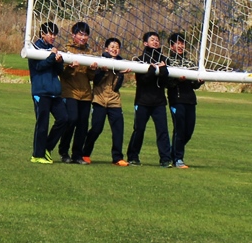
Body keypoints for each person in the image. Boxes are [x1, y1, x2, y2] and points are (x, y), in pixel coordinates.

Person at [126, 31, 173, 167]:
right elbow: (142, 81)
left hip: (159, 102)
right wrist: (153, 71)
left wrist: (163, 72)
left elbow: (166, 83)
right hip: (142, 101)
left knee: (162, 130)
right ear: (145, 43)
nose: (155, 42)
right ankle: (133, 156)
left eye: (157, 40)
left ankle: (165, 159)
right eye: (152, 40)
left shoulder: (165, 60)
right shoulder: (139, 60)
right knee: (139, 129)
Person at [58, 21, 98, 164]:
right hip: (70, 92)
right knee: (72, 119)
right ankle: (64, 151)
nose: (83, 37)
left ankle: (77, 154)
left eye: (86, 35)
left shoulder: (90, 53)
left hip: (86, 94)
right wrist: (71, 68)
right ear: (73, 34)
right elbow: (63, 74)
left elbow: (91, 78)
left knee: (82, 124)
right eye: (80, 34)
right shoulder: (66, 50)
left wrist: (93, 70)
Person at [83, 37, 127, 165]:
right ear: (106, 48)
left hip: (114, 101)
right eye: (112, 47)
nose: (115, 49)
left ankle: (117, 158)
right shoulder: (100, 61)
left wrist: (120, 74)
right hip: (99, 100)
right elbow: (96, 81)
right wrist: (104, 71)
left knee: (118, 130)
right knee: (96, 128)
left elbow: (116, 87)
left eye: (117, 47)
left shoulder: (121, 63)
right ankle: (85, 153)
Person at [27, 21, 67, 164]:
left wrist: (59, 61)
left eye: (55, 34)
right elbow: (39, 66)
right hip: (41, 92)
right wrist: (51, 57)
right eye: (50, 33)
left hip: (54, 92)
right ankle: (37, 155)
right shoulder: (34, 48)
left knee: (64, 119)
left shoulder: (53, 49)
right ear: (43, 33)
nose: (53, 36)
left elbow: (58, 71)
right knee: (42, 124)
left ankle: (47, 148)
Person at [166, 33, 203, 169]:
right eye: (177, 43)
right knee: (179, 129)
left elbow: (194, 85)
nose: (180, 46)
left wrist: (199, 82)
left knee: (189, 131)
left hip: (190, 100)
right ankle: (178, 159)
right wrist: (177, 80)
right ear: (171, 46)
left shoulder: (190, 62)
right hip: (176, 99)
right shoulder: (168, 61)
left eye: (182, 43)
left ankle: (172, 153)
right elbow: (166, 82)